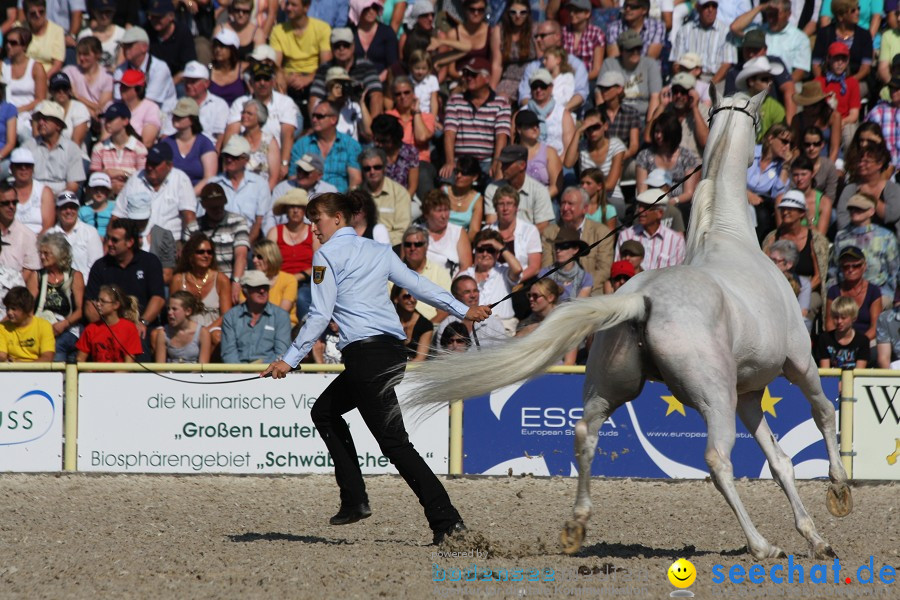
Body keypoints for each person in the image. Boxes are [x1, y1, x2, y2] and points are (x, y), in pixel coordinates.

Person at [262, 192, 492, 545]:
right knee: (324, 412)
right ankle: (354, 499)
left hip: (365, 358)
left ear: (338, 219)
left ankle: (446, 522)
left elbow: (320, 315)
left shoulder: (325, 255)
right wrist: (463, 309)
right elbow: (418, 285)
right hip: (391, 354)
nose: (313, 227)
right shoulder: (380, 251)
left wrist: (288, 359)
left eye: (317, 219)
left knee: (396, 445)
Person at [84, 218, 166, 359]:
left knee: (141, 343)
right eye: (108, 238)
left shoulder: (150, 262)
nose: (109, 243)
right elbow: (90, 305)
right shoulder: (100, 266)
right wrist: (109, 327)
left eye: (115, 240)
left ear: (130, 242)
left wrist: (143, 322)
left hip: (139, 327)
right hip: (108, 327)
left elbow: (158, 298)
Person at [441, 56, 511, 180]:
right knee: (446, 182)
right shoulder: (455, 100)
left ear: (487, 78)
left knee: (495, 187)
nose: (468, 77)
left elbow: (501, 137)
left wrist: (496, 163)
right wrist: (450, 162)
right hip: (460, 162)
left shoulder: (501, 103)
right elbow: (449, 134)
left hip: (486, 161)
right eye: (466, 73)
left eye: (473, 74)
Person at [762, 191, 829, 320]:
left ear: (802, 213)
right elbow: (763, 268)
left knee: (804, 309)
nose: (785, 212)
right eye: (783, 209)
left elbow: (819, 276)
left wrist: (798, 290)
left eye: (790, 209)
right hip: (775, 288)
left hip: (808, 289)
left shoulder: (816, 240)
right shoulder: (771, 238)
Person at [225, 61, 297, 176]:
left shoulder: (285, 102)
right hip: (242, 160)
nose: (262, 83)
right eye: (258, 79)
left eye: (266, 79)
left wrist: (283, 164)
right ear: (251, 83)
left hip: (274, 159)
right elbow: (231, 135)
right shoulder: (240, 103)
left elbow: (288, 135)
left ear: (273, 82)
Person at [113, 143, 197, 242]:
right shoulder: (136, 178)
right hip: (137, 242)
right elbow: (117, 215)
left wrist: (188, 246)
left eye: (155, 164)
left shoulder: (180, 179)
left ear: (169, 166)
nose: (149, 167)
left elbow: (189, 216)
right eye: (148, 162)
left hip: (170, 244)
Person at [183, 183, 250, 303]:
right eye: (213, 207)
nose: (218, 209)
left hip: (231, 277)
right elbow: (187, 259)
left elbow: (241, 255)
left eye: (221, 205)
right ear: (204, 206)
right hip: (202, 281)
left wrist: (236, 282)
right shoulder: (193, 228)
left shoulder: (238, 222)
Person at [540, 186, 613, 294]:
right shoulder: (550, 233)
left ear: (585, 208)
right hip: (558, 294)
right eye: (563, 203)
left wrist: (581, 287)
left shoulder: (602, 233)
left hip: (591, 295)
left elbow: (604, 270)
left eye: (570, 204)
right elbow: (547, 267)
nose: (565, 208)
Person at [829, 193, 899, 305]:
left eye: (859, 208)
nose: (854, 211)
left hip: (879, 292)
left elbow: (894, 271)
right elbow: (834, 270)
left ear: (871, 211)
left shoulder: (886, 236)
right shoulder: (841, 236)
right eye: (851, 208)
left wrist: (890, 294)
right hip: (846, 292)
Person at [635, 110, 701, 225]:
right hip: (650, 202)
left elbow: (689, 193)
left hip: (678, 203)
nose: (658, 136)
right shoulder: (644, 156)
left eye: (663, 132)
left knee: (682, 212)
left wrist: (671, 202)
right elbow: (642, 190)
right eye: (656, 132)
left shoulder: (687, 156)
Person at [209, 135, 271, 245]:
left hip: (249, 241)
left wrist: (244, 245)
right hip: (217, 242)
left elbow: (259, 222)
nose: (229, 159)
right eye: (226, 155)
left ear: (246, 159)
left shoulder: (260, 184)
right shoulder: (213, 184)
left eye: (234, 156)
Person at [564, 107, 626, 216]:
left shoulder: (616, 145)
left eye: (596, 127)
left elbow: (611, 184)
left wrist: (592, 192)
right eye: (588, 128)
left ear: (605, 126)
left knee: (611, 209)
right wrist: (578, 132)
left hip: (611, 196)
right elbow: (568, 163)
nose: (592, 131)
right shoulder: (582, 146)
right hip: (586, 196)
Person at [310, 27, 383, 119]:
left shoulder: (366, 66)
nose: (342, 49)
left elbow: (376, 94)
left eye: (346, 45)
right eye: (337, 46)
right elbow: (315, 97)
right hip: (332, 116)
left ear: (353, 46)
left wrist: (373, 126)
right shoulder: (324, 68)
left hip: (361, 114)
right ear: (331, 47)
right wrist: (316, 121)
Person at [290, 99, 362, 192]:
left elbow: (355, 180)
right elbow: (293, 177)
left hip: (339, 201)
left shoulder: (351, 145)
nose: (314, 119)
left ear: (333, 120)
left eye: (319, 116)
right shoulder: (301, 145)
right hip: (307, 200)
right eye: (313, 116)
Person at [266, 188, 316, 320]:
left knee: (301, 296)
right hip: (278, 280)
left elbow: (321, 263)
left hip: (306, 282)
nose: (295, 210)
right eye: (292, 206)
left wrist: (299, 276)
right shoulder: (275, 232)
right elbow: (267, 261)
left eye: (299, 207)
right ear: (286, 209)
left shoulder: (314, 232)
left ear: (305, 210)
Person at [730, 0, 811, 81]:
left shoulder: (800, 38)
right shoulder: (758, 31)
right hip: (752, 81)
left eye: (775, 15)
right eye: (769, 14)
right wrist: (760, 7)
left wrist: (784, 87)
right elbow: (735, 27)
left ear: (788, 14)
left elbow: (800, 71)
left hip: (783, 83)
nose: (771, 19)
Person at [221, 269, 291, 363]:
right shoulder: (230, 316)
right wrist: (239, 374)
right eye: (257, 287)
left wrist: (263, 373)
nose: (262, 291)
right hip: (238, 373)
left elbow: (281, 353)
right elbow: (229, 353)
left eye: (265, 287)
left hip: (270, 373)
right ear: (245, 291)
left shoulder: (281, 316)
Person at [836, 140, 900, 238]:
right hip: (854, 239)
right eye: (860, 161)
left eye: (866, 162)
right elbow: (842, 221)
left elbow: (891, 215)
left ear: (880, 164)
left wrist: (870, 196)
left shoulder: (892, 188)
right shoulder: (850, 189)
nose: (861, 164)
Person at [597, 30, 661, 127]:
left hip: (642, 119)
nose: (635, 52)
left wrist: (650, 126)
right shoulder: (609, 64)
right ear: (621, 50)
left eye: (638, 48)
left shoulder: (651, 64)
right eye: (630, 49)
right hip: (615, 118)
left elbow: (655, 97)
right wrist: (604, 122)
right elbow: (599, 95)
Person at [34, 231, 83, 361]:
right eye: (41, 253)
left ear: (58, 255)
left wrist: (64, 324)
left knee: (57, 345)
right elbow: (28, 307)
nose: (42, 257)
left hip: (68, 328)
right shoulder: (37, 276)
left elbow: (80, 310)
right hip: (42, 329)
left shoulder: (75, 276)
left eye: (46, 253)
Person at [483, 145, 554, 234]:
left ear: (522, 165)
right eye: (502, 164)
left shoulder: (540, 191)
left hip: (529, 242)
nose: (502, 168)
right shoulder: (492, 189)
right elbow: (491, 222)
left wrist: (518, 238)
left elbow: (543, 226)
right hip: (500, 239)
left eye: (507, 164)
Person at [22, 100, 85, 195]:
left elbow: (73, 186)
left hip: (62, 198)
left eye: (46, 119)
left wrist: (58, 201)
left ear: (58, 126)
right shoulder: (28, 146)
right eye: (39, 119)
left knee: (69, 202)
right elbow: (21, 179)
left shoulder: (72, 149)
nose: (41, 122)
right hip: (33, 195)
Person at [171, 232, 232, 328]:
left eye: (209, 252)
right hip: (185, 329)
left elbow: (226, 315)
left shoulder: (221, 280)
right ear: (191, 255)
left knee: (217, 337)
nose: (206, 255)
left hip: (213, 329)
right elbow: (173, 311)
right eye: (201, 252)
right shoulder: (178, 279)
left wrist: (205, 333)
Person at [113, 26, 177, 115]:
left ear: (144, 47)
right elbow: (118, 99)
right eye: (123, 46)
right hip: (131, 115)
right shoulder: (120, 70)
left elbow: (149, 102)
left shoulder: (160, 68)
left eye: (130, 45)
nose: (125, 49)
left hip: (162, 119)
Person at [615, 189, 685, 270]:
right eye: (639, 207)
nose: (640, 211)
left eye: (646, 208)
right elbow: (618, 269)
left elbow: (677, 274)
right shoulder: (625, 236)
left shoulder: (676, 241)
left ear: (660, 213)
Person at [826, 246, 883, 342]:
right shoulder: (833, 291)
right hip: (839, 341)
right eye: (845, 266)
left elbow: (875, 327)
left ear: (864, 266)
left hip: (866, 340)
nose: (850, 269)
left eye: (856, 266)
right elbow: (829, 324)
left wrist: (857, 344)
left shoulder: (874, 291)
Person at [161, 97, 217, 194]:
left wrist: (189, 197)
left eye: (181, 115)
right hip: (169, 195)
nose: (176, 118)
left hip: (197, 197)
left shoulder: (205, 143)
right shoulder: (166, 143)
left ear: (192, 119)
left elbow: (209, 178)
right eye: (175, 115)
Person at [671, 0, 735, 83]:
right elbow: (676, 63)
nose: (710, 10)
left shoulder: (726, 32)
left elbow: (727, 64)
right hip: (688, 76)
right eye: (706, 6)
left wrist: (709, 86)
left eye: (714, 6)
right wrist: (683, 81)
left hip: (716, 79)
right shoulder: (684, 30)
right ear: (698, 8)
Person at [748, 123, 793, 240]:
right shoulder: (750, 152)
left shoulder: (781, 166)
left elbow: (776, 195)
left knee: (763, 216)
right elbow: (734, 174)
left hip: (761, 204)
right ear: (771, 138)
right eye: (784, 141)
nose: (787, 147)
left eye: (790, 144)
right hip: (738, 194)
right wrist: (746, 194)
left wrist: (785, 167)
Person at [76, 282, 142, 362]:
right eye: (98, 300)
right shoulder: (91, 329)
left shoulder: (129, 328)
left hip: (121, 374)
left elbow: (129, 363)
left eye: (103, 301)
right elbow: (80, 359)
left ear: (116, 305)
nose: (98, 304)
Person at [2, 25, 47, 140]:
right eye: (7, 42)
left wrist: (18, 110)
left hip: (27, 116)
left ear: (24, 46)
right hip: (4, 113)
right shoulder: (2, 65)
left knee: (22, 132)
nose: (8, 46)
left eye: (13, 43)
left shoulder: (36, 68)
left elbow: (40, 99)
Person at [358, 146, 410, 247]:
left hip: (392, 247)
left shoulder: (400, 193)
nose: (372, 172)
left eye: (377, 167)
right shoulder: (356, 194)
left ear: (385, 167)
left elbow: (402, 231)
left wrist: (378, 242)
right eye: (367, 168)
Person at [516, 278, 576, 364]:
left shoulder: (566, 322)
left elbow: (569, 362)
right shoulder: (526, 324)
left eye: (535, 296)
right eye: (529, 295)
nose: (531, 299)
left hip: (558, 374)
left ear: (550, 298)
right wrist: (521, 334)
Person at [398, 225, 451, 322]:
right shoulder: (394, 274)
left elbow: (445, 310)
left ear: (426, 246)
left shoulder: (440, 273)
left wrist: (426, 330)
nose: (412, 248)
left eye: (417, 244)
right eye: (408, 244)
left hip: (432, 328)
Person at [814, 41, 861, 151]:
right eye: (836, 59)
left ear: (848, 61)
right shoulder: (819, 82)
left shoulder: (852, 82)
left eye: (843, 59)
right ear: (829, 59)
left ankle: (848, 164)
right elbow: (813, 112)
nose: (840, 63)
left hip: (843, 122)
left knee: (850, 133)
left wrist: (840, 123)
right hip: (822, 122)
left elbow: (854, 115)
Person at [48, 190, 102, 283]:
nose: (69, 211)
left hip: (85, 286)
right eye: (64, 207)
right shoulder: (49, 235)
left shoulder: (90, 232)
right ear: (57, 211)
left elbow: (96, 266)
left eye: (73, 207)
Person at [90, 102, 147, 186]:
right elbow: (93, 178)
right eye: (106, 119)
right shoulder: (98, 148)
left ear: (125, 121)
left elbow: (143, 179)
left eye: (111, 119)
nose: (107, 123)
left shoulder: (139, 149)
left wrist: (121, 173)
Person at [489, 0, 535, 103]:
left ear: (528, 13)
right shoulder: (500, 30)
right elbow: (497, 65)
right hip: (509, 78)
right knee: (499, 100)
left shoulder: (534, 29)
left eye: (522, 12)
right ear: (507, 13)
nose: (518, 16)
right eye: (513, 12)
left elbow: (541, 57)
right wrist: (491, 90)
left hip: (530, 78)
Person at [422, 188, 472, 278]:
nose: (444, 216)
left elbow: (466, 266)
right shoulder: (416, 232)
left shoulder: (458, 232)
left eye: (446, 210)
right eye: (439, 211)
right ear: (427, 213)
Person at [778, 155, 832, 236]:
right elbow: (781, 231)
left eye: (803, 174)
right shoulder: (782, 199)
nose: (799, 179)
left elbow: (820, 238)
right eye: (796, 175)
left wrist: (809, 217)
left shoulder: (824, 202)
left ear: (812, 174)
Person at [151, 290, 211, 363]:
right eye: (168, 309)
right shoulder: (163, 333)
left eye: (174, 309)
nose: (169, 312)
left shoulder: (202, 333)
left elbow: (203, 367)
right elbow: (160, 368)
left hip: (195, 374)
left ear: (188, 311)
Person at [0, 180, 40, 289]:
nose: (11, 206)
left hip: (13, 297)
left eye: (14, 202)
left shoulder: (28, 236)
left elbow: (30, 272)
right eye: (5, 203)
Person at [594, 70, 640, 163]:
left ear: (619, 89)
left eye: (607, 88)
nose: (603, 91)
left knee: (636, 167)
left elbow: (633, 146)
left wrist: (617, 159)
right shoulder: (596, 113)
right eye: (601, 88)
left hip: (623, 160)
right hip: (600, 161)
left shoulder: (632, 113)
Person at [146, 0, 196, 85]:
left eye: (159, 17)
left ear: (171, 16)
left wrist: (169, 85)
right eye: (152, 16)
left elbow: (188, 67)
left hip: (177, 81)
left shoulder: (183, 32)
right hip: (152, 79)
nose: (154, 20)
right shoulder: (147, 31)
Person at [252, 238, 299, 327]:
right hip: (255, 327)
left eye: (259, 257)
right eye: (253, 256)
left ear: (271, 257)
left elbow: (282, 312)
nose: (254, 260)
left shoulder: (289, 280)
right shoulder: (249, 281)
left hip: (282, 327)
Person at [180, 61, 228, 147]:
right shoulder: (177, 104)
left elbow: (219, 137)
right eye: (186, 81)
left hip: (208, 151)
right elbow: (167, 133)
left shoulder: (219, 104)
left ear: (206, 83)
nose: (188, 85)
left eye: (193, 82)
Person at [768, 238, 812, 331]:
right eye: (770, 259)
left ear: (789, 264)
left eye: (775, 261)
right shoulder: (765, 278)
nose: (770, 264)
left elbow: (802, 313)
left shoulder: (803, 284)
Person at [0, 286, 54, 361]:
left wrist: (21, 366)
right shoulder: (2, 327)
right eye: (7, 308)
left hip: (37, 371)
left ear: (26, 308)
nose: (9, 312)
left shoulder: (44, 325)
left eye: (13, 309)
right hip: (11, 371)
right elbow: (2, 356)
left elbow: (47, 357)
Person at [539, 226, 593, 301]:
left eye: (564, 246)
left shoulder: (585, 278)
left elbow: (579, 305)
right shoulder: (544, 274)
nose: (558, 250)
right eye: (556, 246)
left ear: (575, 249)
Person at [371, 114, 418, 200]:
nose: (380, 144)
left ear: (395, 137)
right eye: (377, 140)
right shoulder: (373, 154)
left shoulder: (410, 152)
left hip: (404, 198)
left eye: (384, 141)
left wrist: (400, 204)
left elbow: (412, 187)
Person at [9, 147, 54, 235]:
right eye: (19, 165)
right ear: (11, 168)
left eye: (27, 165)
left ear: (33, 168)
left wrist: (33, 244)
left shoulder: (44, 192)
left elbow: (48, 225)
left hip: (37, 241)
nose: (23, 168)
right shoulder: (3, 191)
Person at [239, 98, 281, 190]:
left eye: (249, 113)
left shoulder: (269, 141)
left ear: (259, 117)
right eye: (243, 112)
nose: (244, 115)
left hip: (262, 193)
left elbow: (274, 177)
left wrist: (263, 197)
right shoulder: (236, 140)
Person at [817, 296, 870, 369]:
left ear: (853, 318)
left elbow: (859, 372)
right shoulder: (825, 339)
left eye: (843, 317)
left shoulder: (862, 341)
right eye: (836, 317)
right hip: (832, 379)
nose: (839, 321)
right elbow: (825, 370)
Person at [113, 68, 161, 148]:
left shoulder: (151, 108)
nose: (121, 89)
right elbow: (105, 137)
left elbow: (146, 142)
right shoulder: (114, 106)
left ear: (138, 89)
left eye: (126, 87)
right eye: (121, 86)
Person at [350, 0, 397, 80]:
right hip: (354, 81)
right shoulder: (350, 33)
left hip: (381, 82)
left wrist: (375, 82)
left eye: (374, 7)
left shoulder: (387, 32)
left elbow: (392, 64)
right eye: (366, 8)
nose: (371, 11)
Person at [48, 72, 89, 154]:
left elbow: (76, 143)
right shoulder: (42, 108)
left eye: (65, 88)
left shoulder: (79, 108)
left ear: (70, 91)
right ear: (51, 91)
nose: (61, 92)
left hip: (75, 157)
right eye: (57, 89)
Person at [390, 284, 432, 361]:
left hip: (415, 370)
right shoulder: (388, 321)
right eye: (407, 296)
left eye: (415, 296)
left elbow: (420, 359)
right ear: (396, 298)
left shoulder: (425, 325)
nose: (412, 300)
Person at [23, 0, 64, 77]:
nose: (38, 15)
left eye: (41, 12)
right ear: (26, 15)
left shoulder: (57, 31)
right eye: (33, 13)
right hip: (23, 77)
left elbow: (57, 64)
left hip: (47, 77)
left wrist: (42, 80)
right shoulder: (19, 28)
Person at [208, 29, 248, 107]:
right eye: (216, 45)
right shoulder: (209, 68)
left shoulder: (243, 68)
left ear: (232, 49)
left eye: (222, 46)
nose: (218, 49)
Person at [800, 125, 839, 202]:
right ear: (802, 145)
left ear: (822, 145)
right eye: (807, 144)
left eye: (816, 144)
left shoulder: (829, 166)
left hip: (821, 205)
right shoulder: (797, 165)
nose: (811, 148)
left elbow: (830, 197)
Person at [78, 172, 115, 238]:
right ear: (89, 190)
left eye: (103, 189)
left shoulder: (115, 208)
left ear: (108, 191)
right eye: (95, 188)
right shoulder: (82, 210)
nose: (99, 192)